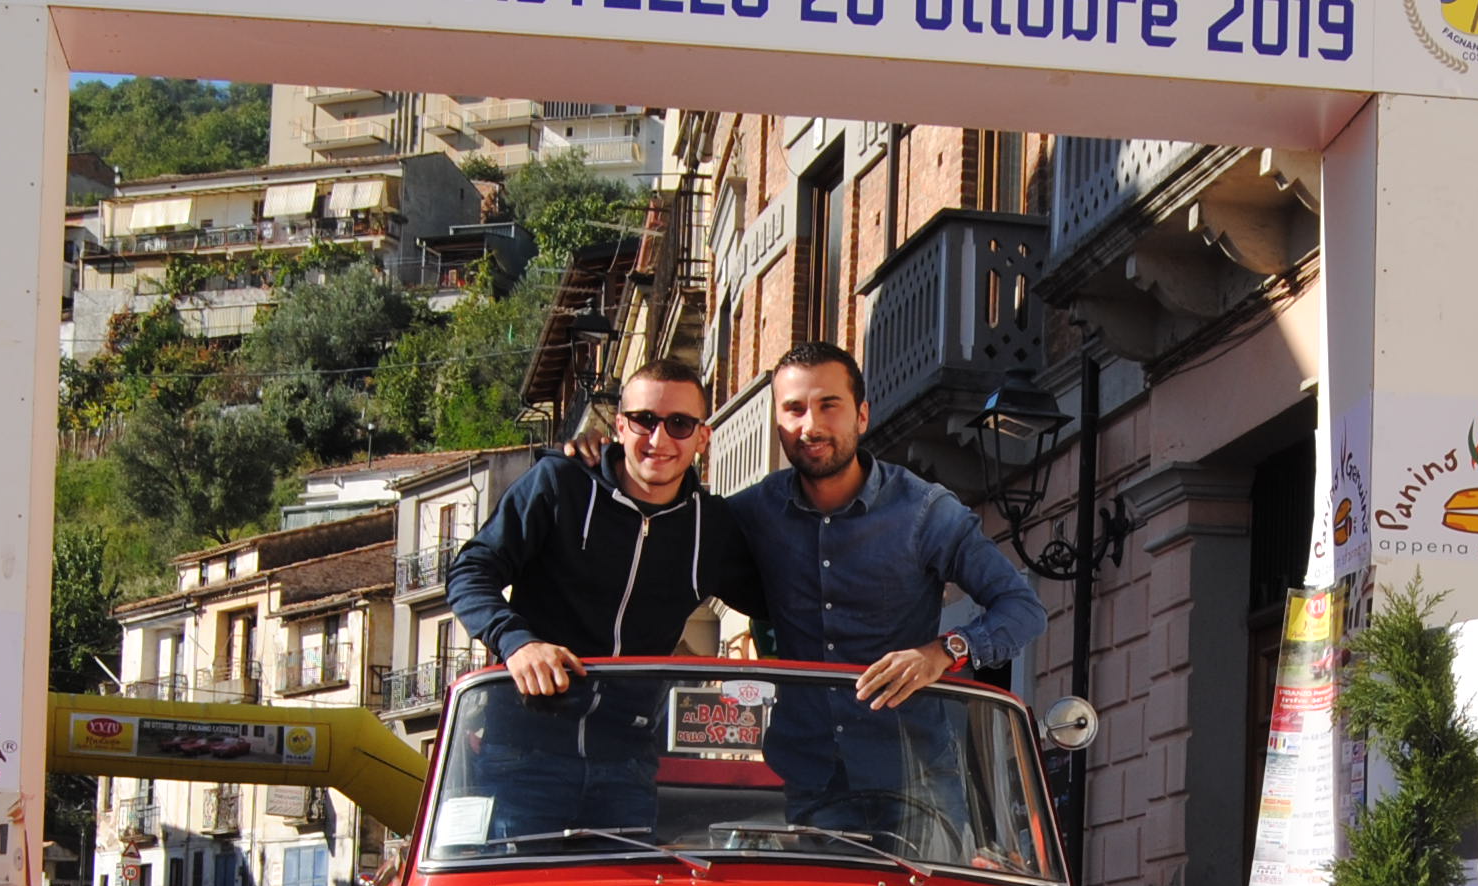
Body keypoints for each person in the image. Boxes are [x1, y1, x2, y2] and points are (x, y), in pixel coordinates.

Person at [722, 342, 1048, 838]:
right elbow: (671, 532)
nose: (811, 425)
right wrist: (604, 468)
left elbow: (1022, 608)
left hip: (918, 778)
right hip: (814, 780)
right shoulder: (752, 513)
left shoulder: (924, 511)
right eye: (794, 408)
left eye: (829, 405)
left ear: (862, 416)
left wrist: (943, 652)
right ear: (778, 421)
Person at [445, 356, 751, 840]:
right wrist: (518, 643)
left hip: (625, 762)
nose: (659, 439)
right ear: (620, 426)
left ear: (703, 437)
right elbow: (470, 570)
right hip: (523, 754)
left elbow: (788, 599)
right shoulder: (561, 484)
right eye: (644, 420)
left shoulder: (711, 527)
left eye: (679, 423)